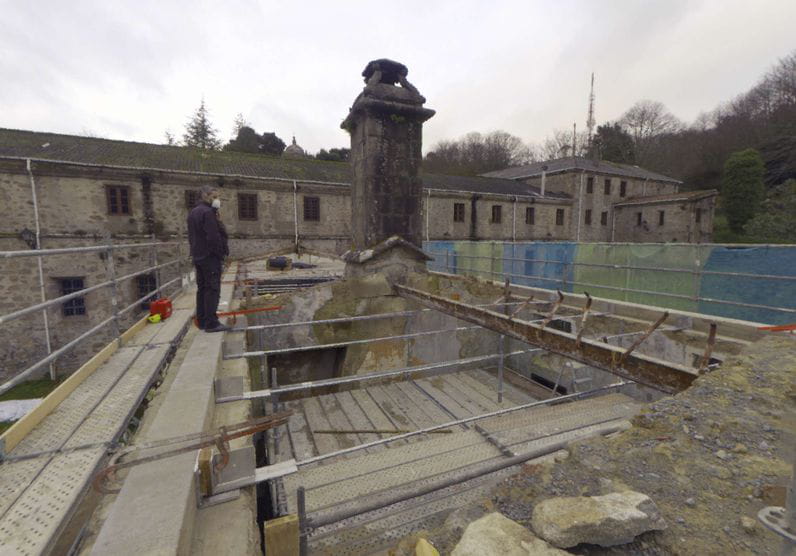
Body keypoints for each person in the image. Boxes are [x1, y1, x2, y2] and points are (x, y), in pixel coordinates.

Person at [187, 185, 230, 332]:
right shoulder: (208, 212)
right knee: (212, 289)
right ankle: (211, 323)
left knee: (203, 289)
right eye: (214, 197)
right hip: (209, 256)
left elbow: (192, 236)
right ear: (205, 196)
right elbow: (213, 237)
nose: (216, 200)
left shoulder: (193, 212)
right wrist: (220, 254)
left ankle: (203, 320)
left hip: (198, 256)